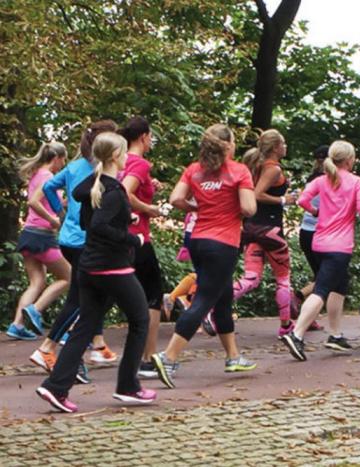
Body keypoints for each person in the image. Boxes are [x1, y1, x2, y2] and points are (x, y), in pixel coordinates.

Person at [36, 132, 156, 413]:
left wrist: (127, 217)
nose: (127, 157)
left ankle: (55, 387)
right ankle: (128, 386)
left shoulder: (94, 185)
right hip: (112, 267)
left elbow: (88, 213)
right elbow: (100, 225)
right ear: (115, 156)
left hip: (89, 267)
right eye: (124, 152)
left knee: (86, 326)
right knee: (140, 319)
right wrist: (132, 238)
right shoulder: (113, 191)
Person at [151, 124, 257, 389]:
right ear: (229, 146)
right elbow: (248, 207)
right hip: (223, 244)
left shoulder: (194, 170)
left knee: (222, 297)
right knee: (203, 300)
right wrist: (237, 208)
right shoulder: (239, 171)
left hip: (198, 239)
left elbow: (176, 199)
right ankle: (169, 357)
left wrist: (195, 206)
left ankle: (233, 357)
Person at [29, 121, 120, 381]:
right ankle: (48, 348)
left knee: (89, 297)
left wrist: (60, 210)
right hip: (85, 240)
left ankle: (91, 349)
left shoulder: (73, 167)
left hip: (69, 238)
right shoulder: (100, 171)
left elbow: (48, 188)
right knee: (84, 299)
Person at [282, 140, 360, 361]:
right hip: (339, 245)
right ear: (350, 160)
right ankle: (297, 334)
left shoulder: (321, 181)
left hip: (319, 242)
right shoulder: (357, 182)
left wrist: (315, 211)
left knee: (339, 286)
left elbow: (302, 200)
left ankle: (335, 334)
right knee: (321, 289)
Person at [231, 129, 297, 338]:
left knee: (251, 277)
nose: (286, 147)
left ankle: (213, 309)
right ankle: (286, 325)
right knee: (283, 278)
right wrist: (283, 200)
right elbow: (257, 194)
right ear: (276, 148)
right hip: (270, 230)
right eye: (283, 144)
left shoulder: (256, 165)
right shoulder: (273, 169)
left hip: (252, 228)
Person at [6, 143, 70, 341]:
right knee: (69, 277)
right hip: (42, 236)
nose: (64, 164)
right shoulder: (48, 176)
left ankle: (17, 324)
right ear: (56, 158)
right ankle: (35, 309)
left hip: (28, 234)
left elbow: (48, 203)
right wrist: (52, 220)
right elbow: (33, 202)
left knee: (37, 282)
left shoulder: (36, 174)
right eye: (63, 160)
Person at [117, 116, 165, 379]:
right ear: (144, 136)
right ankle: (147, 358)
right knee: (153, 295)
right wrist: (149, 208)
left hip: (118, 237)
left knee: (105, 297)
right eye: (150, 137)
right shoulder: (140, 162)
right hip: (138, 238)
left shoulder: (121, 161)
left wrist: (148, 187)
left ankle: (63, 347)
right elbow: (124, 192)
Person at [292, 145, 331, 331]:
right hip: (320, 233)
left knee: (319, 275)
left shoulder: (312, 179)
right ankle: (298, 296)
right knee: (326, 277)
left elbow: (302, 200)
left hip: (305, 232)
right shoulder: (327, 180)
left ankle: (308, 317)